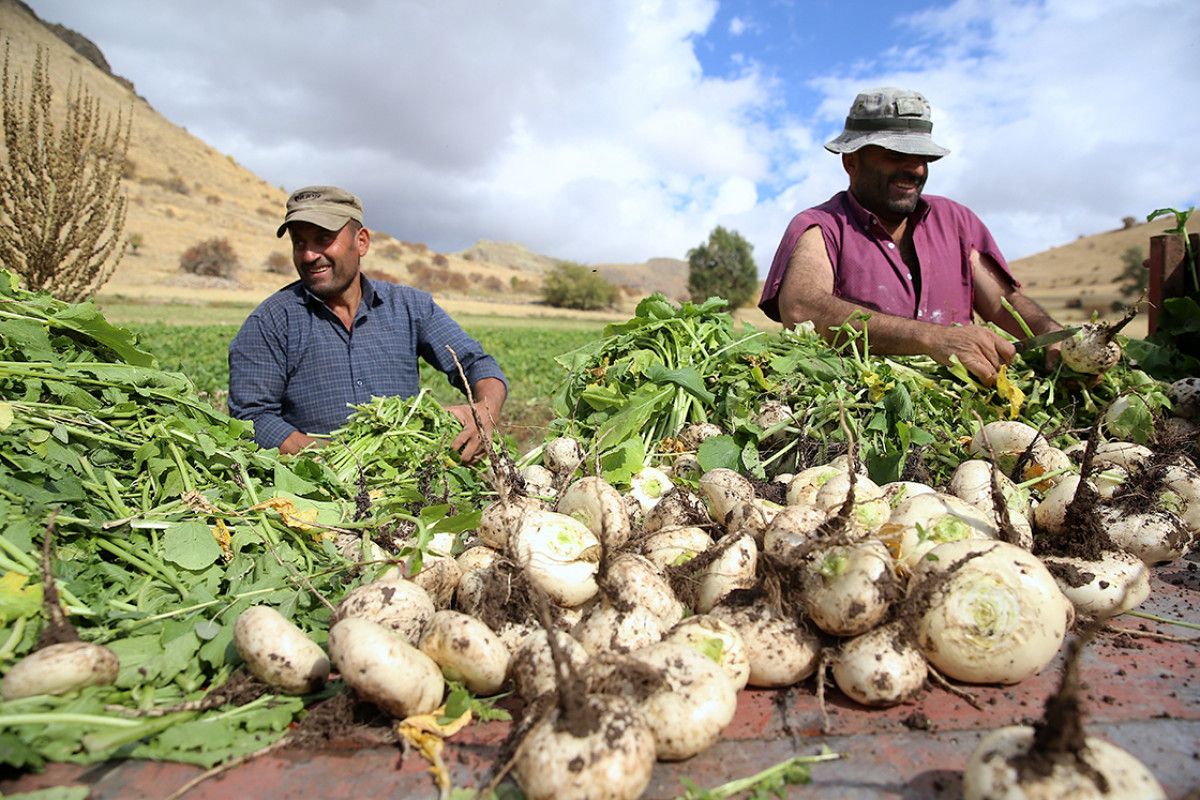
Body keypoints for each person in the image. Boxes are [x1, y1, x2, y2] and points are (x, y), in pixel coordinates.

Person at [758, 87, 1062, 386]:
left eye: (922, 157)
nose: (915, 169)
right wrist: (931, 338)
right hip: (864, 409)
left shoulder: (957, 221)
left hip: (971, 408)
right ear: (851, 161)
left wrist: (1052, 333)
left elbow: (1004, 303)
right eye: (896, 154)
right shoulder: (820, 227)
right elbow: (802, 309)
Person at [228, 185, 507, 460]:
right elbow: (252, 417)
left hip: (410, 479)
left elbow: (476, 364)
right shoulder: (270, 322)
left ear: (361, 242)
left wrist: (486, 410)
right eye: (299, 243)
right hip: (316, 484)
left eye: (323, 239)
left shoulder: (410, 307)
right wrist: (335, 458)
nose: (309, 255)